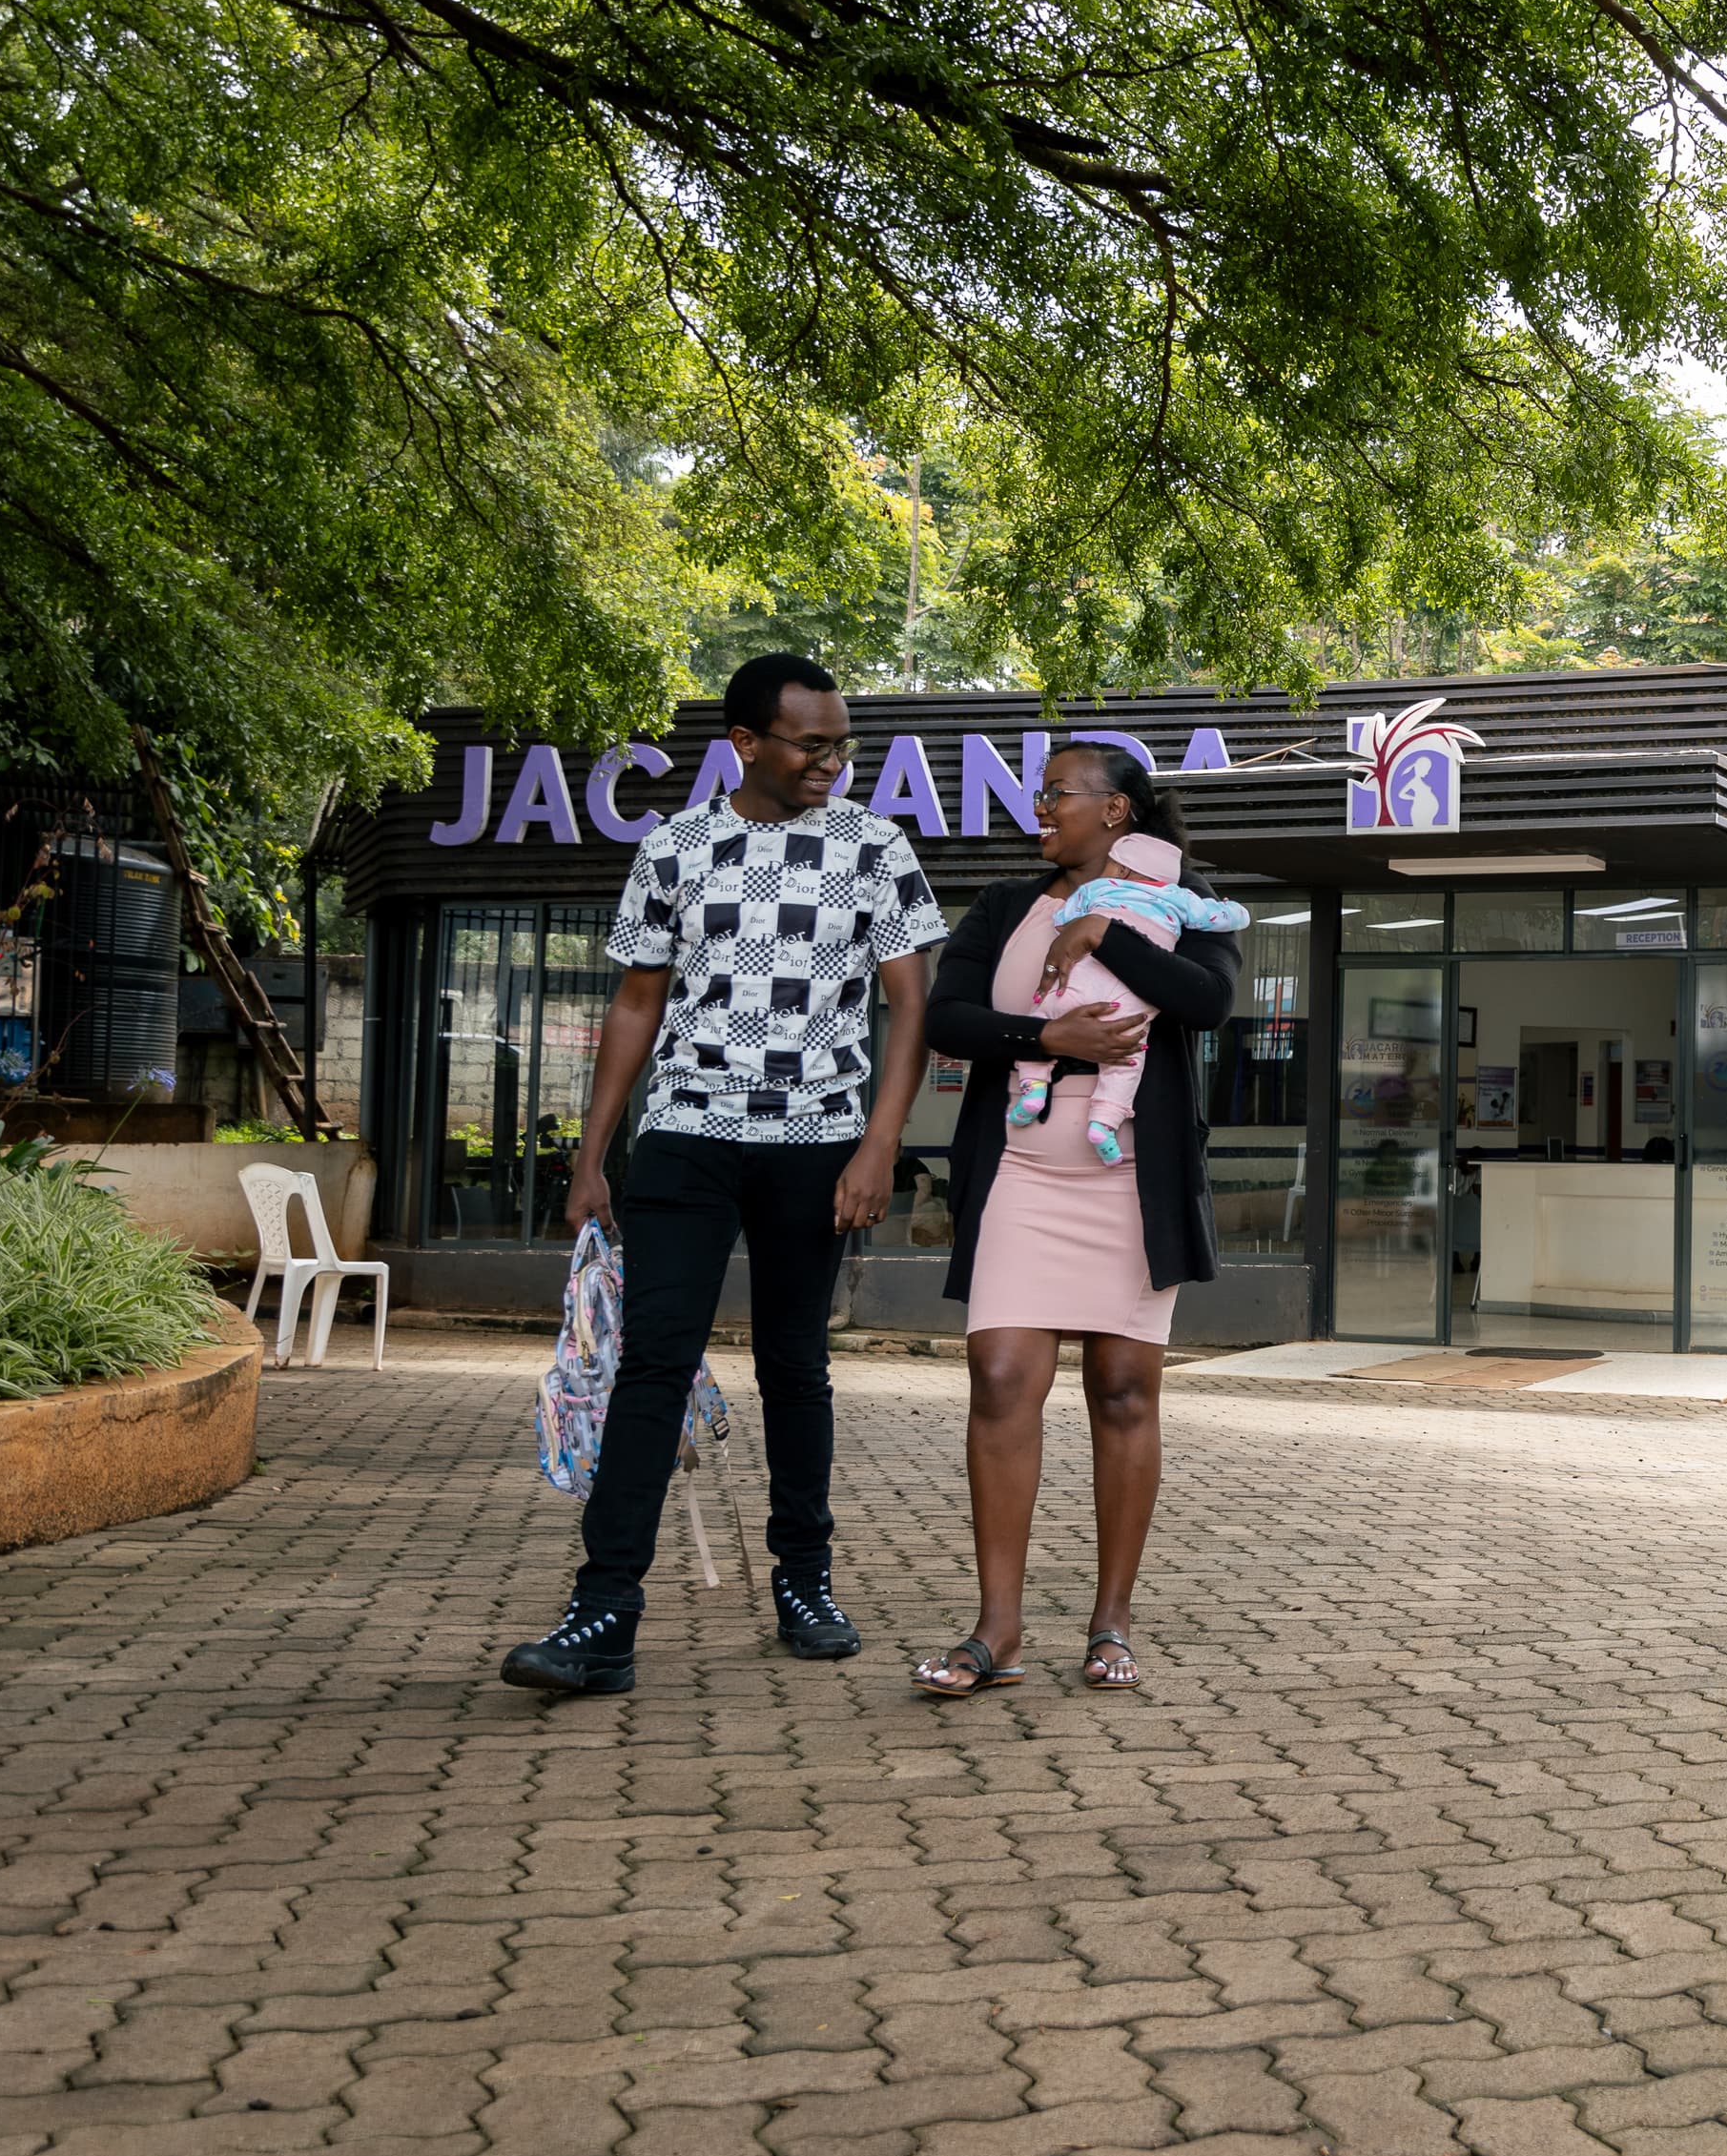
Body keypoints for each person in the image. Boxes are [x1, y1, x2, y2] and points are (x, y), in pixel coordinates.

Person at [501, 654, 944, 1695]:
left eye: (843, 743)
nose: (833, 761)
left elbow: (911, 1008)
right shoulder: (676, 846)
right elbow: (635, 1004)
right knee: (652, 1364)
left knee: (796, 1366)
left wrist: (881, 1142)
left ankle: (805, 1583)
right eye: (812, 744)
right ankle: (602, 1612)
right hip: (688, 1137)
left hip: (817, 1144)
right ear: (747, 743)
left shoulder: (874, 847)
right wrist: (592, 1154)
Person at [913, 742, 1239, 1694]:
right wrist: (1044, 1036)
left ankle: (1110, 1623)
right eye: (1039, 795)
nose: (1040, 810)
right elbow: (948, 1017)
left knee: (1125, 1388)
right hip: (1021, 1175)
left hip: (1133, 1182)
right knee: (1004, 1369)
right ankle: (998, 1630)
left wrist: (1104, 934)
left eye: (1058, 794)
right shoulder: (1006, 908)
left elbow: (1210, 1000)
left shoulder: (1179, 896)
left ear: (1118, 812)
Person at [1005, 828, 1247, 1164]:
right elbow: (1218, 918)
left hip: (1084, 979)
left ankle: (1033, 1088)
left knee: (1041, 1019)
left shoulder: (1097, 888)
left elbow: (1065, 920)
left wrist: (1072, 923)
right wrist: (1235, 910)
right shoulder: (1180, 898)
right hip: (1132, 996)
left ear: (1120, 869)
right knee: (1126, 1061)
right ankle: (1104, 1124)